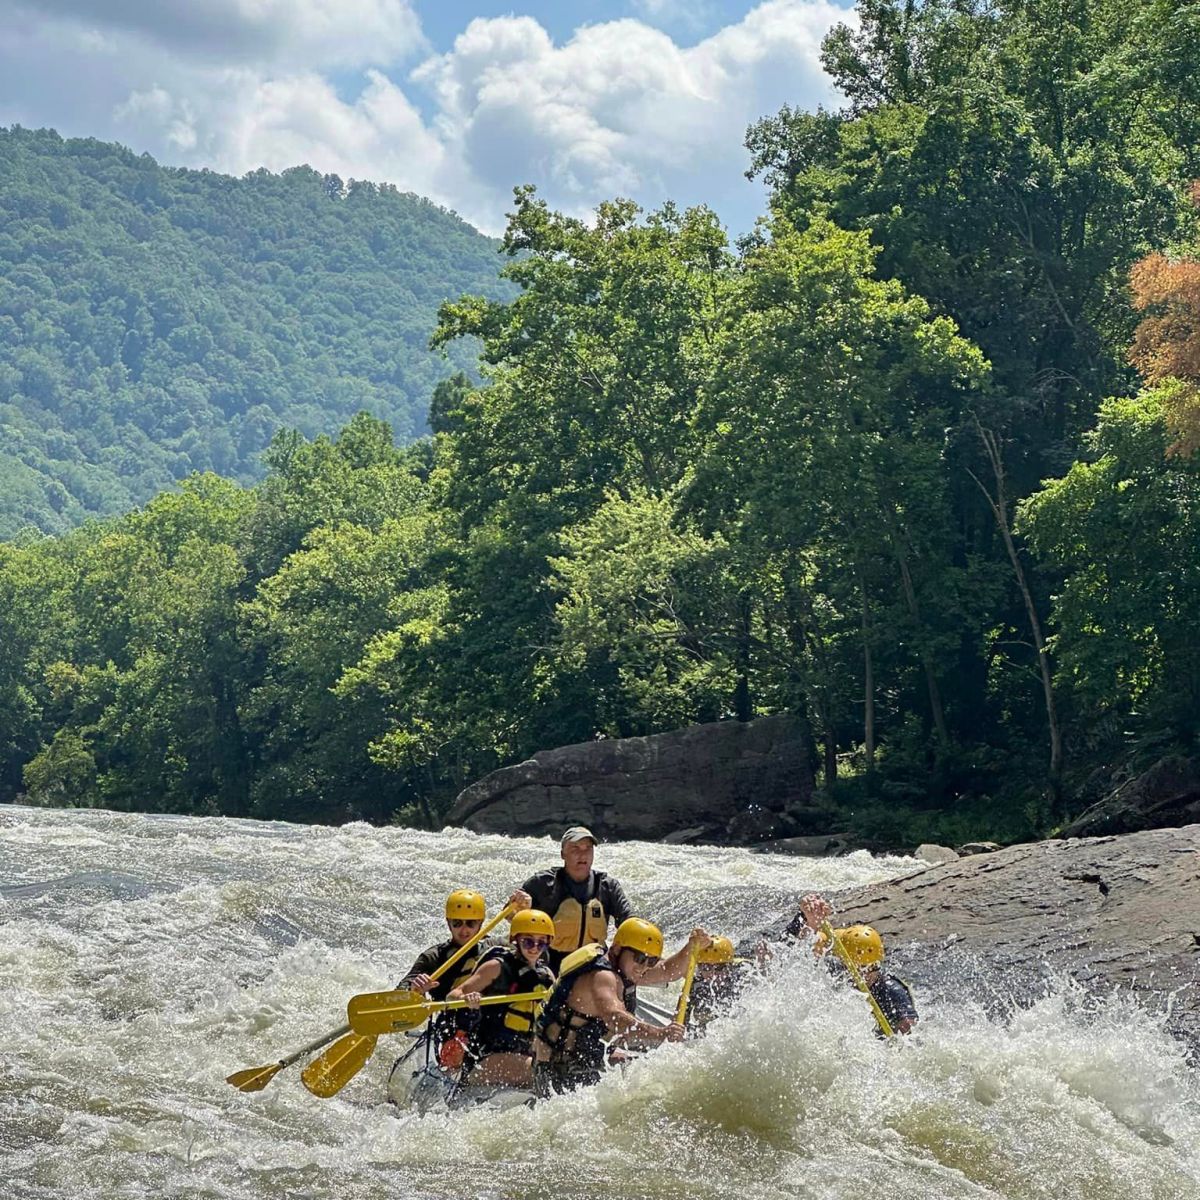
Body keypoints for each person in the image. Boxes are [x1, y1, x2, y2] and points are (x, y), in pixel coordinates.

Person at [533, 917, 710, 1094]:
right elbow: (615, 1018)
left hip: (583, 1063)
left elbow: (668, 971)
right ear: (617, 949)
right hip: (558, 1073)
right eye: (640, 958)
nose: (643, 966)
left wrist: (692, 947)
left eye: (651, 960)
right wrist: (660, 1033)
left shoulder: (627, 969)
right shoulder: (602, 976)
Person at [396, 887, 529, 1068]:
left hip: (495, 1027)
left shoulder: (498, 947)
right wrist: (414, 990)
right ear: (448, 923)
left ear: (481, 923)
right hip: (453, 1028)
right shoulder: (434, 957)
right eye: (457, 923)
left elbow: (533, 954)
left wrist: (522, 917)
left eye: (470, 923)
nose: (464, 930)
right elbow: (400, 992)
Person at [447, 908, 558, 1088]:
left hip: (523, 1053)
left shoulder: (546, 976)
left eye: (541, 944)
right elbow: (452, 996)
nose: (535, 948)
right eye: (528, 942)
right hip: (487, 1056)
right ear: (516, 940)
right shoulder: (496, 967)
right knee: (542, 1074)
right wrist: (468, 999)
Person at [515, 826, 633, 970]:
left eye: (588, 848)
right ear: (562, 854)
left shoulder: (608, 886)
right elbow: (511, 916)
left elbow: (630, 920)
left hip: (594, 965)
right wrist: (521, 907)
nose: (582, 855)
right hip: (551, 965)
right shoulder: (542, 883)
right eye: (575, 848)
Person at [821, 924, 919, 1036]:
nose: (865, 975)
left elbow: (909, 1032)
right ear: (845, 965)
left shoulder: (892, 990)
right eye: (858, 968)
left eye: (871, 967)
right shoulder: (837, 970)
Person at [685, 935, 756, 1033]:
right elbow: (681, 1020)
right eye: (706, 967)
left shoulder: (743, 975)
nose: (712, 974)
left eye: (719, 967)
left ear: (729, 967)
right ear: (699, 967)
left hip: (748, 952)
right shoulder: (695, 983)